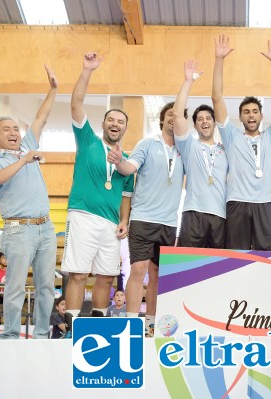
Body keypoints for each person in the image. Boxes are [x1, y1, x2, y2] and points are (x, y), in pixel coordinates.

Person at [0, 66, 58, 339]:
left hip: (45, 228)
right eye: (7, 129)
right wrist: (23, 160)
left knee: (47, 286)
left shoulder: (27, 146)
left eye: (16, 128)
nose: (14, 132)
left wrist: (53, 89)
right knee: (15, 286)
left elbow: (41, 117)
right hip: (18, 230)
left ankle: (40, 336)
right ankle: (10, 335)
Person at [61, 52, 133, 331]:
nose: (115, 124)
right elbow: (76, 103)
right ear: (103, 124)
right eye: (111, 120)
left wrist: (124, 221)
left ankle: (100, 328)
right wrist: (87, 70)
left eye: (121, 122)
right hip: (82, 215)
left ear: (125, 128)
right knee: (78, 274)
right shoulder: (88, 138)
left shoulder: (127, 162)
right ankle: (74, 328)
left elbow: (127, 195)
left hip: (110, 224)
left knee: (106, 276)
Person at [107, 99, 185, 336]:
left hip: (170, 222)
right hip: (142, 218)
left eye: (178, 115)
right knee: (138, 269)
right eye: (170, 114)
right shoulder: (147, 144)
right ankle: (131, 325)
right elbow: (129, 167)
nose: (173, 118)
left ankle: (151, 329)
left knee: (158, 275)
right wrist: (119, 160)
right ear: (162, 119)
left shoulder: (185, 148)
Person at [212, 34, 271, 251]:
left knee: (270, 260)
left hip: (265, 204)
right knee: (234, 259)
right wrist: (219, 60)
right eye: (246, 112)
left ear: (261, 116)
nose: (251, 116)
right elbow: (216, 98)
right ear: (240, 117)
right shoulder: (231, 136)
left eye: (255, 112)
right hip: (237, 203)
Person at [172, 59, 228, 248]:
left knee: (217, 272)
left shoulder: (225, 150)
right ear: (195, 125)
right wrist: (188, 81)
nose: (205, 122)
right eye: (200, 119)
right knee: (187, 270)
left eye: (209, 119)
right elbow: (178, 116)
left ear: (214, 122)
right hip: (193, 213)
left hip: (221, 215)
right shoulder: (189, 146)